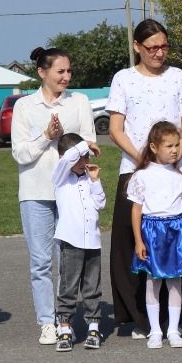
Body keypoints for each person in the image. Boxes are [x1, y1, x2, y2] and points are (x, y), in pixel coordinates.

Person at [109, 20, 182, 340]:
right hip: (134, 169)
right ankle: (138, 317)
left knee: (171, 240)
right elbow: (115, 128)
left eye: (164, 46)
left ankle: (169, 319)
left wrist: (172, 159)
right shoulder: (124, 79)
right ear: (137, 47)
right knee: (130, 242)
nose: (159, 53)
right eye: (152, 48)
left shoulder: (178, 77)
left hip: (172, 172)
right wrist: (143, 160)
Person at [12, 46, 98, 347]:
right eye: (60, 71)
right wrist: (47, 136)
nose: (66, 76)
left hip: (72, 192)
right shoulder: (25, 106)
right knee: (40, 261)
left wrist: (68, 143)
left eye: (69, 70)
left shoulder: (80, 102)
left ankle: (66, 319)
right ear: (42, 72)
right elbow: (20, 153)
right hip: (36, 192)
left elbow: (90, 143)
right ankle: (47, 322)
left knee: (69, 260)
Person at [130, 121, 182, 348]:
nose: (175, 150)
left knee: (175, 281)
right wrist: (139, 240)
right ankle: (155, 330)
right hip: (152, 231)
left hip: (176, 231)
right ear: (154, 147)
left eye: (177, 145)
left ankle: (173, 329)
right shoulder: (141, 176)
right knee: (153, 281)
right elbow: (136, 210)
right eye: (169, 146)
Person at [52, 134, 107, 350]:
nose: (84, 162)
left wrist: (95, 181)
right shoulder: (60, 178)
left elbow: (100, 203)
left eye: (87, 157)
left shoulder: (87, 178)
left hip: (92, 241)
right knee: (68, 286)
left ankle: (94, 325)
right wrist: (87, 145)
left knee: (92, 286)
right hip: (71, 240)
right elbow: (67, 159)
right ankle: (65, 327)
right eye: (80, 158)